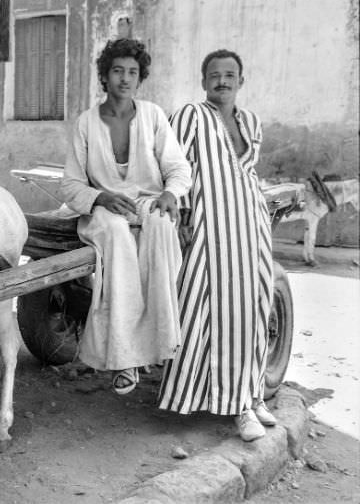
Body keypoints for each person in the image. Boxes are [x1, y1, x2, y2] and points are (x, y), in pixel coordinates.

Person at [157, 49, 278, 441]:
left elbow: (247, 171)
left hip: (251, 227)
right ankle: (236, 407)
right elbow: (175, 167)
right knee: (216, 315)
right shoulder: (190, 115)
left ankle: (252, 393)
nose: (222, 81)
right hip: (212, 229)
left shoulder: (252, 122)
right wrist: (186, 216)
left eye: (230, 75)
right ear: (203, 80)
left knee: (256, 308)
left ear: (241, 81)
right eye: (214, 74)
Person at [60, 39, 192, 395]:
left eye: (132, 72)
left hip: (149, 202)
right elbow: (70, 186)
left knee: (162, 227)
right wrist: (100, 196)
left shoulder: (152, 115)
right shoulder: (86, 123)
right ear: (104, 76)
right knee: (117, 234)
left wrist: (169, 194)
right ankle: (125, 358)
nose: (125, 78)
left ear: (140, 77)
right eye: (117, 70)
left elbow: (179, 168)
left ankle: (161, 342)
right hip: (103, 210)